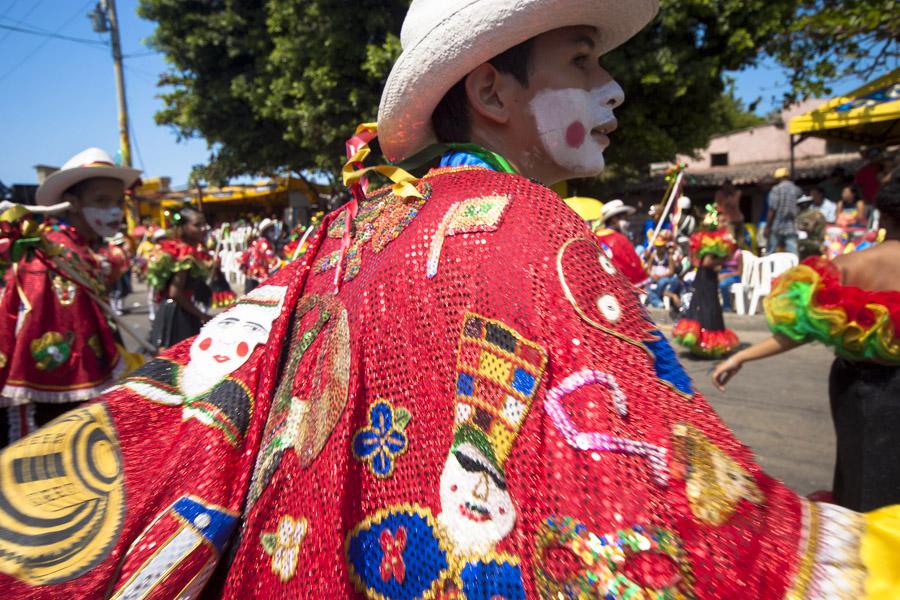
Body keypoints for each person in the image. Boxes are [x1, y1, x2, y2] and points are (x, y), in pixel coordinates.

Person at [0, 1, 898, 598]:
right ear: (491, 89)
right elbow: (656, 506)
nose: (613, 86)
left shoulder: (359, 225)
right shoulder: (529, 231)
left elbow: (204, 392)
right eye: (581, 61)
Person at [713, 167, 900, 511]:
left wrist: (741, 356)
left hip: (861, 390)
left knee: (862, 483)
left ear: (884, 215)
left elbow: (801, 330)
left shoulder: (849, 266)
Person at [0, 147, 140, 446]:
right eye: (101, 201)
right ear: (73, 203)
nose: (114, 211)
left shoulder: (80, 251)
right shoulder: (49, 257)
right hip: (57, 406)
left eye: (118, 201)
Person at [147, 206, 213, 349]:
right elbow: (175, 293)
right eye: (197, 225)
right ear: (183, 227)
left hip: (176, 310)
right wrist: (202, 315)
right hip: (178, 315)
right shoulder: (186, 253)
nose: (204, 228)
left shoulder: (187, 249)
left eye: (204, 224)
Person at [673, 223, 740, 356]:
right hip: (706, 281)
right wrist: (722, 260)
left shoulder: (710, 243)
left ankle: (702, 343)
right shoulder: (711, 244)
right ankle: (705, 343)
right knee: (708, 309)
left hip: (707, 279)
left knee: (708, 308)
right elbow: (707, 262)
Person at [593, 199, 647, 285]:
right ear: (614, 220)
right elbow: (633, 265)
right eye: (625, 218)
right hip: (627, 286)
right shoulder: (620, 239)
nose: (627, 222)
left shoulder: (594, 238)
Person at [765, 167, 801, 255]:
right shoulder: (797, 190)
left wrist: (767, 227)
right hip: (791, 226)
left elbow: (772, 209)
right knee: (793, 254)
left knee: (771, 252)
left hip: (776, 226)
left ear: (778, 178)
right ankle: (796, 268)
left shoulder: (776, 189)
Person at [239, 217, 280, 293]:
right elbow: (272, 261)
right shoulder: (265, 244)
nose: (273, 232)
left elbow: (245, 255)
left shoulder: (257, 242)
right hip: (258, 277)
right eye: (271, 230)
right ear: (266, 232)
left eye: (273, 229)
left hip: (250, 276)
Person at [646, 230, 678, 307]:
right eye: (658, 246)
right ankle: (658, 303)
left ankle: (658, 297)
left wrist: (661, 276)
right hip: (654, 278)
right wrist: (652, 274)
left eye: (661, 246)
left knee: (662, 283)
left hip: (665, 278)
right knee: (648, 288)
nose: (659, 248)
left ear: (664, 246)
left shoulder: (669, 257)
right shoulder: (653, 256)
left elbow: (671, 271)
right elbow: (648, 269)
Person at [795, 194, 827, 260]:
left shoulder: (808, 215)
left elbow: (808, 228)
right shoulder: (818, 212)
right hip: (818, 242)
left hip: (813, 242)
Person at [718, 246, 743, 312]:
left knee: (723, 284)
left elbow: (740, 272)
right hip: (723, 273)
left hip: (735, 275)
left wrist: (726, 275)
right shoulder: (723, 253)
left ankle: (727, 306)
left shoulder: (738, 254)